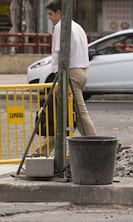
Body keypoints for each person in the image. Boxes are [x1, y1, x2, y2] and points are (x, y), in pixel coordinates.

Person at [36, 0, 97, 156]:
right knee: (67, 115)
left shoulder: (61, 27)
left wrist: (56, 77)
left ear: (59, 12)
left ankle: (97, 146)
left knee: (78, 114)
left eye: (51, 14)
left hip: (69, 74)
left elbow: (58, 53)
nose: (50, 18)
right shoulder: (77, 27)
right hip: (82, 72)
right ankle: (42, 151)